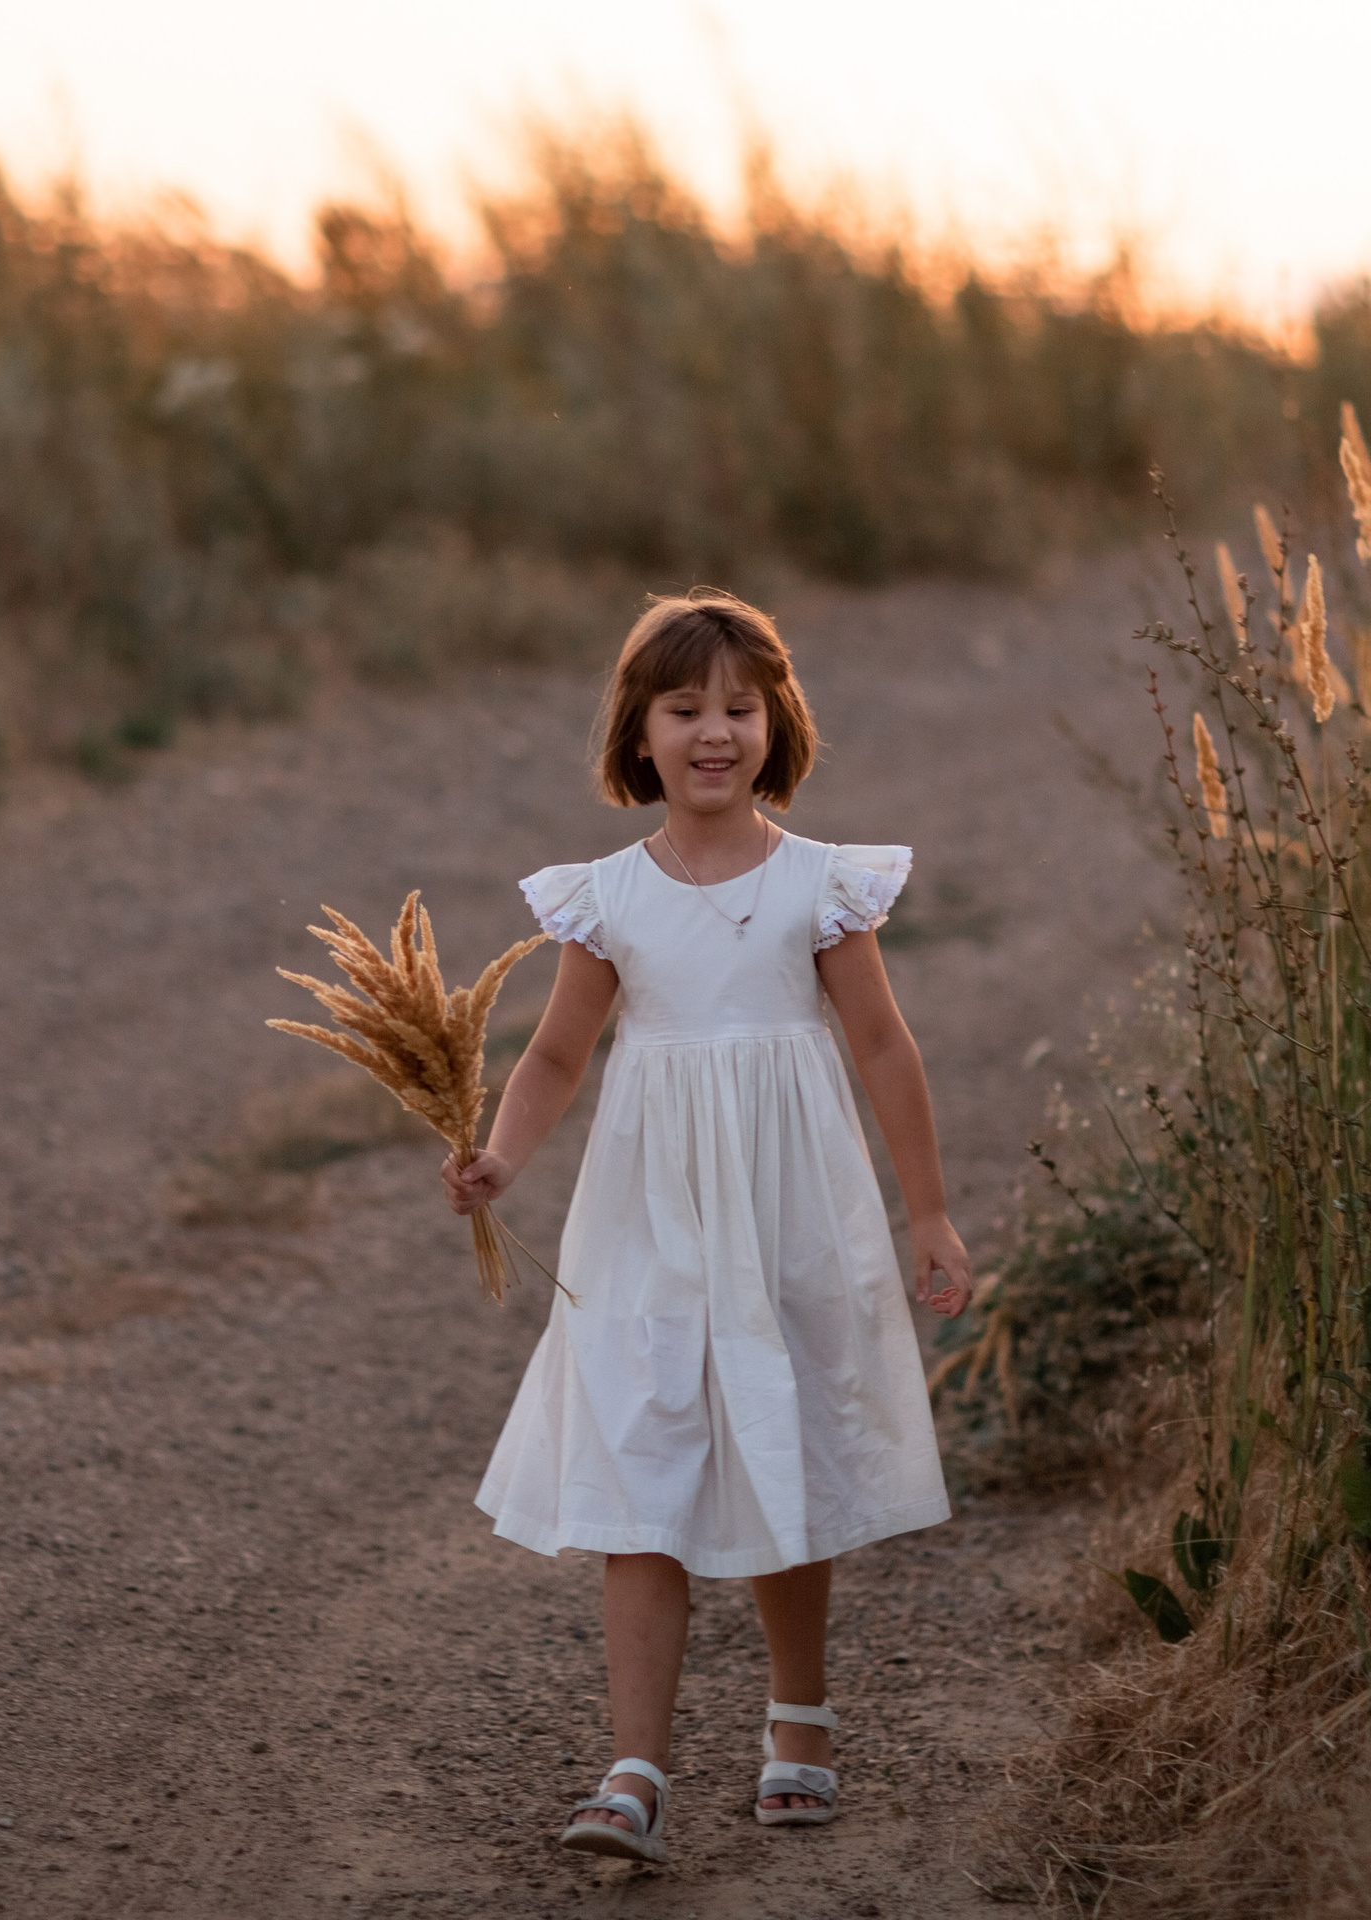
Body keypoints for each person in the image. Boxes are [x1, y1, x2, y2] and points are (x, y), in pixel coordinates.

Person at [441, 588, 971, 1864]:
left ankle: (798, 1720)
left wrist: (931, 1215)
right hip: (653, 1218)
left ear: (776, 723)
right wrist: (503, 1156)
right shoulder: (610, 898)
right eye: (685, 709)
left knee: (781, 1440)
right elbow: (559, 1051)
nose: (714, 732)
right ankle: (634, 1771)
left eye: (740, 706)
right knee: (643, 1459)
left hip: (792, 1206)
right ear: (640, 733)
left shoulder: (820, 887)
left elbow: (884, 1047)